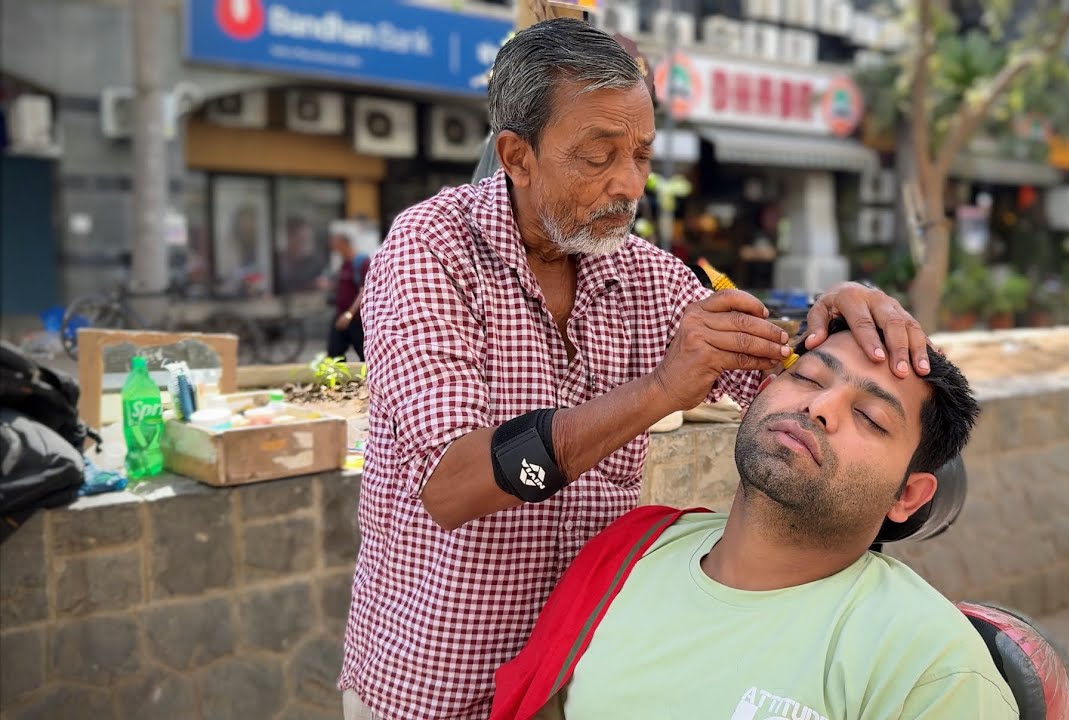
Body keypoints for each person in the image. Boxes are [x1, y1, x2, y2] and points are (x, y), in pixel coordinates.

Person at [339, 19, 931, 720]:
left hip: (584, 677)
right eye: (598, 156)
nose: (629, 184)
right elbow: (454, 484)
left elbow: (776, 376)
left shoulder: (646, 274)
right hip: (437, 682)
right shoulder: (430, 251)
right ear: (516, 155)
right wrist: (658, 391)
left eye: (643, 154)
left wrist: (829, 334)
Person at [493, 320, 1015, 720]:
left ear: (907, 495)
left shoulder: (929, 667)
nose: (821, 406)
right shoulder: (632, 554)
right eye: (808, 377)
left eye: (869, 416)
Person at [327, 224, 370, 362]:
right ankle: (337, 381)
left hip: (356, 319)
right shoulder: (344, 263)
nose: (333, 248)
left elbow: (364, 290)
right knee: (334, 354)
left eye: (335, 244)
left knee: (365, 356)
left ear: (343, 243)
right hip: (340, 316)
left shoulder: (362, 262)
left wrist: (349, 314)